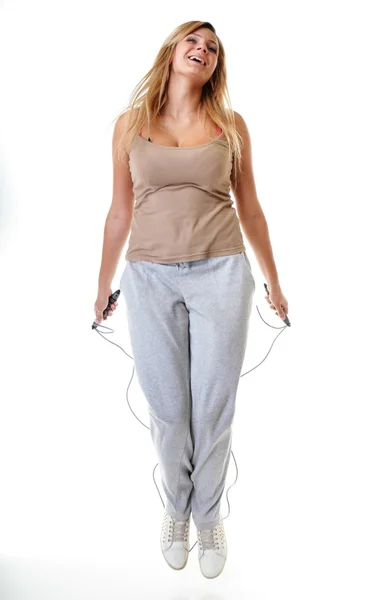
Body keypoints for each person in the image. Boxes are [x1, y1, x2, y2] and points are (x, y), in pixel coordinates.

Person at [94, 20, 288, 579]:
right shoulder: (130, 125)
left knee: (212, 407)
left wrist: (274, 280)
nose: (201, 50)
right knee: (167, 408)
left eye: (212, 48)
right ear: (173, 50)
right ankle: (175, 507)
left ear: (215, 66)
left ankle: (208, 517)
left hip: (223, 271)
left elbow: (250, 208)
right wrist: (101, 285)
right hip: (150, 277)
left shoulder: (231, 125)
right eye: (193, 42)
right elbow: (119, 211)